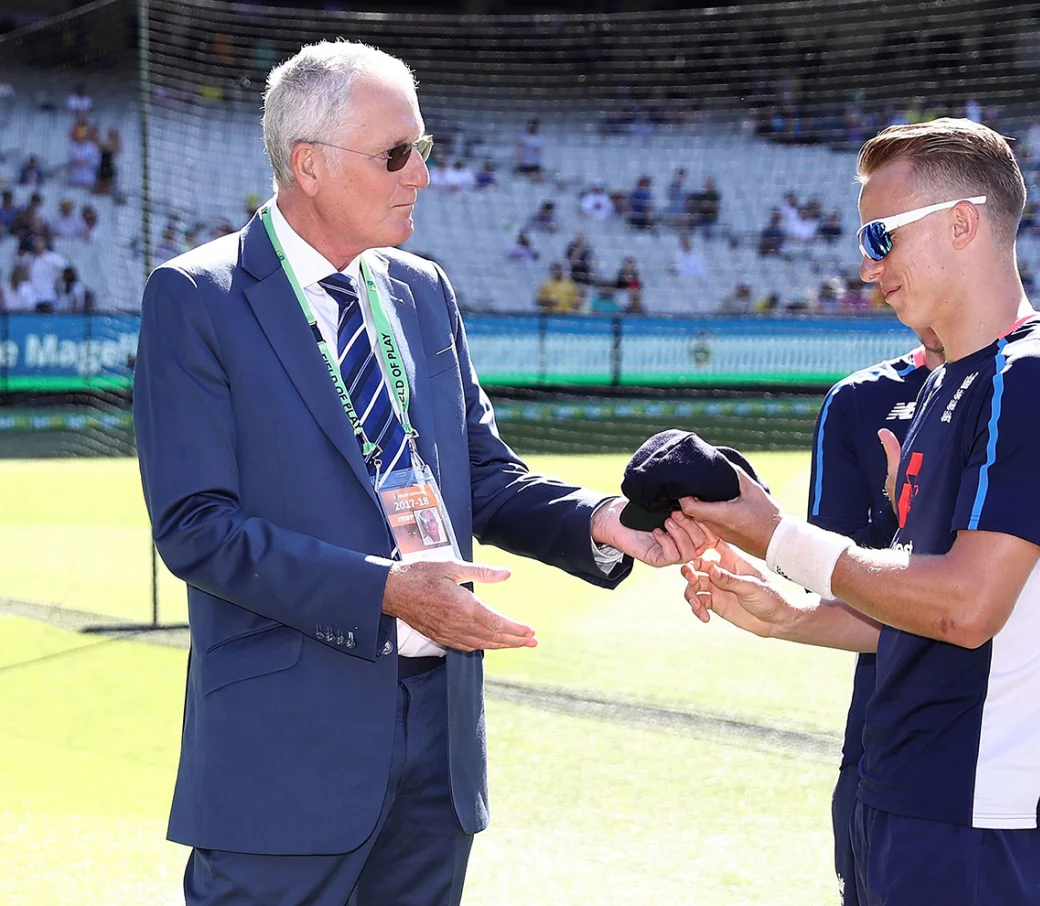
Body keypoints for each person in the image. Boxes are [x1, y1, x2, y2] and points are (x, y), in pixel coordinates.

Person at [133, 42, 705, 906]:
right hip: (286, 751)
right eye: (397, 153)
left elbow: (481, 475)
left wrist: (600, 520)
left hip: (440, 741)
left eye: (424, 149)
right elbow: (197, 529)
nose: (422, 176)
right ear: (310, 166)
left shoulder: (422, 289)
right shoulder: (197, 297)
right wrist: (387, 591)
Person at [679, 119, 1040, 906]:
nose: (867, 264)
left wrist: (776, 535)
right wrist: (792, 615)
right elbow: (916, 610)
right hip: (909, 796)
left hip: (980, 814)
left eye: (882, 236)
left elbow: (965, 607)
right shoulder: (953, 382)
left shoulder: (1038, 376)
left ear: (962, 222)